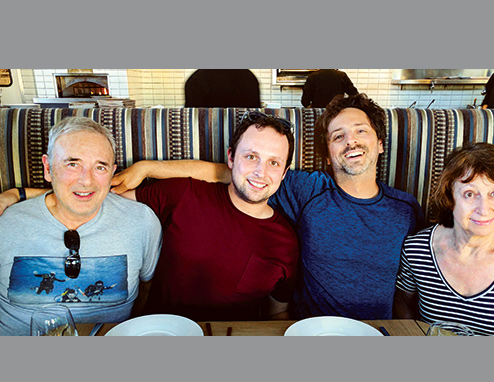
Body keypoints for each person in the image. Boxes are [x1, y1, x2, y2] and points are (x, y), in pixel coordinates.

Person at [111, 94, 424, 321]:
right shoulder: (307, 189)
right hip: (312, 330)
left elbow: (412, 281)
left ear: (381, 143)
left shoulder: (407, 209)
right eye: (338, 136)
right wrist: (147, 167)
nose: (350, 142)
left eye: (361, 131)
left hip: (380, 332)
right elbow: (229, 175)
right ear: (328, 154)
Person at [116, 111, 298, 321]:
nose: (260, 171)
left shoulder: (286, 243)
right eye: (250, 156)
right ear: (231, 157)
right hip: (163, 333)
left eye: (273, 163)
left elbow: (278, 313)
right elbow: (112, 202)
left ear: (284, 173)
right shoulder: (184, 193)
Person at [0, 117, 162, 336]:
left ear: (112, 173)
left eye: (100, 167)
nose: (87, 180)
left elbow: (147, 290)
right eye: (73, 164)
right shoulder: (7, 222)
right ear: (48, 168)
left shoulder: (141, 221)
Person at [394, 143, 494, 336]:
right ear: (450, 198)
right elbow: (402, 303)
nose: (484, 209)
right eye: (469, 194)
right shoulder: (417, 250)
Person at [184, 69, 261, 108]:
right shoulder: (249, 78)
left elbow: (191, 120)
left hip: (206, 136)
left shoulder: (195, 79)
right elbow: (257, 118)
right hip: (243, 136)